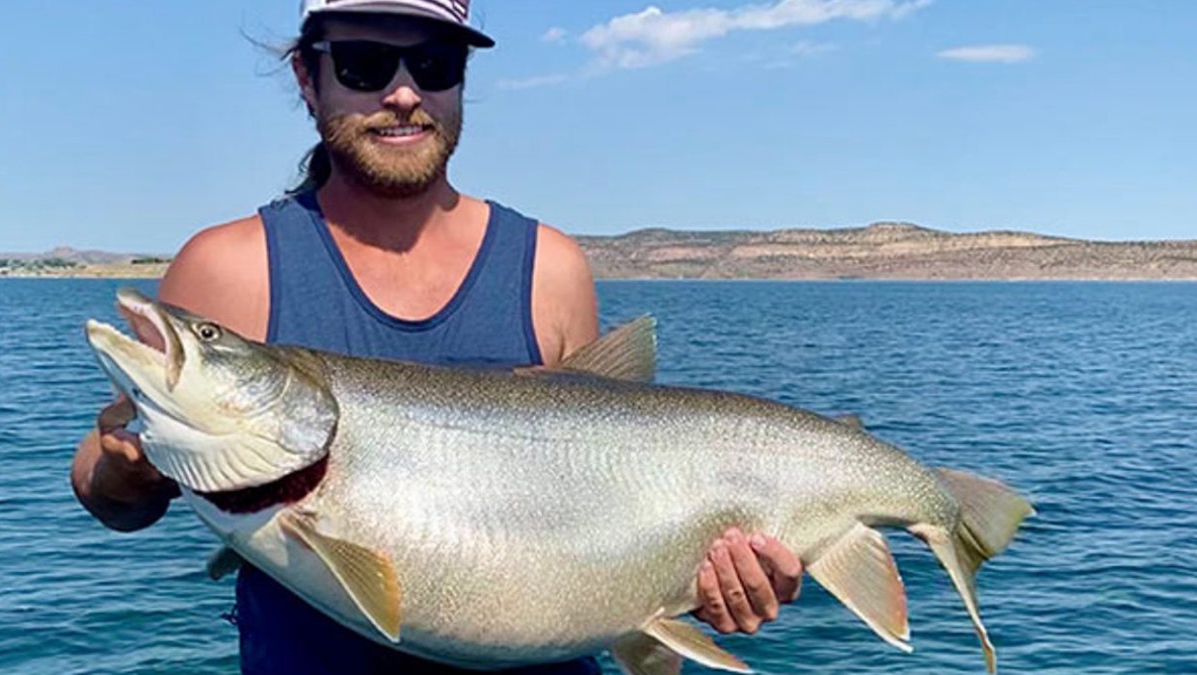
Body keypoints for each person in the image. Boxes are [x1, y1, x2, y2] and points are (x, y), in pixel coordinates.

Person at [70, 1, 803, 672]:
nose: (402, 93)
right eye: (363, 64)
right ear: (307, 76)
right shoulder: (228, 268)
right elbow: (110, 493)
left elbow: (612, 512)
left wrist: (697, 583)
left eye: (434, 64)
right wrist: (124, 468)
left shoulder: (551, 267)